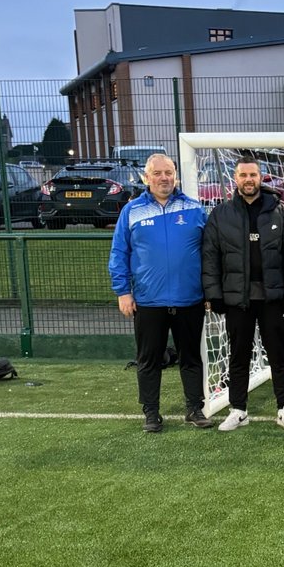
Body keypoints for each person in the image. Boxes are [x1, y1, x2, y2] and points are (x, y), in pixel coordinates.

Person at [109, 153, 211, 433]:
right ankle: (151, 413)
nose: (164, 178)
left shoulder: (193, 208)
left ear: (175, 175)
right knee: (148, 359)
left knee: (191, 357)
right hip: (148, 300)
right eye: (158, 173)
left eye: (169, 172)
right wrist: (123, 291)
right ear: (147, 177)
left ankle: (194, 408)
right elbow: (119, 252)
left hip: (190, 298)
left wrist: (210, 290)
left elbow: (210, 252)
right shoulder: (131, 211)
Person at [202, 158, 284, 432]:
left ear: (261, 178)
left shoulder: (280, 212)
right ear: (236, 179)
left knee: (279, 355)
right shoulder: (221, 214)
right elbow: (210, 257)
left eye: (253, 175)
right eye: (244, 175)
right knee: (238, 356)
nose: (249, 179)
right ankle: (238, 409)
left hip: (272, 298)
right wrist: (215, 294)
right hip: (237, 299)